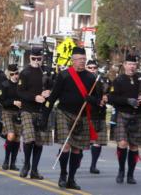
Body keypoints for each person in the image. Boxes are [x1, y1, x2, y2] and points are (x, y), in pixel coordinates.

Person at [44, 47, 100, 189]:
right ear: (73, 60)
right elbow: (53, 96)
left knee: (76, 149)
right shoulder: (64, 75)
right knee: (66, 145)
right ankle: (63, 175)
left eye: (84, 59)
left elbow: (98, 100)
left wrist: (91, 99)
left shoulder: (91, 77)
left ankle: (71, 179)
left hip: (81, 116)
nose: (82, 62)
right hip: (64, 113)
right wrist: (45, 115)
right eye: (80, 59)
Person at [108, 54, 141, 184]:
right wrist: (127, 101)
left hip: (138, 116)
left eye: (134, 64)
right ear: (124, 65)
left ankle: (130, 174)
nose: (132, 67)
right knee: (123, 143)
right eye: (129, 64)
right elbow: (111, 98)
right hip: (122, 115)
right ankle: (121, 171)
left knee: (134, 146)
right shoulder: (118, 80)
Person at [17, 47, 53, 180]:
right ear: (30, 58)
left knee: (39, 141)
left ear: (42, 58)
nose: (36, 61)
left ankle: (34, 170)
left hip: (42, 111)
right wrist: (34, 97)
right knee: (29, 139)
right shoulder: (24, 73)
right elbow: (20, 92)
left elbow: (53, 87)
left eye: (39, 59)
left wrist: (48, 92)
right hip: (28, 109)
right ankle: (26, 164)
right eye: (34, 58)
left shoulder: (47, 72)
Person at [85, 60, 110, 174]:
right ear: (86, 68)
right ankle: (77, 160)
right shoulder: (83, 80)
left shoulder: (103, 80)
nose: (92, 70)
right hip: (87, 114)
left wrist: (107, 97)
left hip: (100, 115)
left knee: (97, 142)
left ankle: (93, 166)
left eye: (94, 67)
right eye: (90, 67)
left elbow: (110, 92)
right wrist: (97, 101)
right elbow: (84, 96)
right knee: (82, 141)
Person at [1, 64, 22, 171]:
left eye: (17, 73)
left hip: (18, 114)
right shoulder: (5, 84)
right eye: (12, 74)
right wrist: (13, 102)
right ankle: (6, 160)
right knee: (11, 135)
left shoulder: (21, 85)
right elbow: (2, 101)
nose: (15, 76)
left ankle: (13, 163)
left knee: (17, 138)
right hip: (7, 112)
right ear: (9, 74)